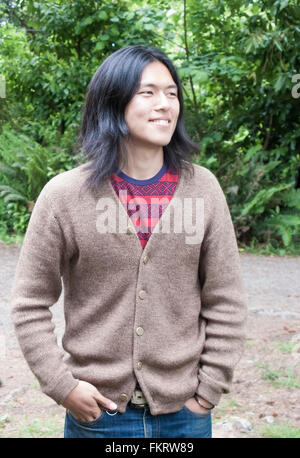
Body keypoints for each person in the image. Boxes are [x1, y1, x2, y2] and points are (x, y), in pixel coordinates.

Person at [11, 45, 247, 438]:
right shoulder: (64, 196)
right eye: (148, 92)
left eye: (172, 93)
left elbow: (226, 299)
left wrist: (207, 392)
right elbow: (28, 303)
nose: (165, 104)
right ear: (113, 102)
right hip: (97, 417)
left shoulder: (203, 189)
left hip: (185, 416)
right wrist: (62, 385)